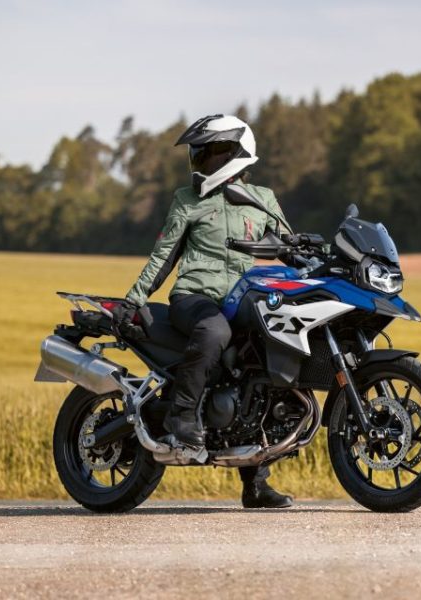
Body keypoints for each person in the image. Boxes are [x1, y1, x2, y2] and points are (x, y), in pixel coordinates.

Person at [114, 114, 292, 509]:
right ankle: (182, 418)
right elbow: (164, 256)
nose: (200, 159)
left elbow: (288, 247)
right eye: (199, 152)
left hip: (244, 299)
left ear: (234, 152)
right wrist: (134, 298)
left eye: (208, 151)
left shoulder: (262, 199)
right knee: (214, 333)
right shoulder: (188, 200)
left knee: (265, 370)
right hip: (195, 298)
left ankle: (257, 483)